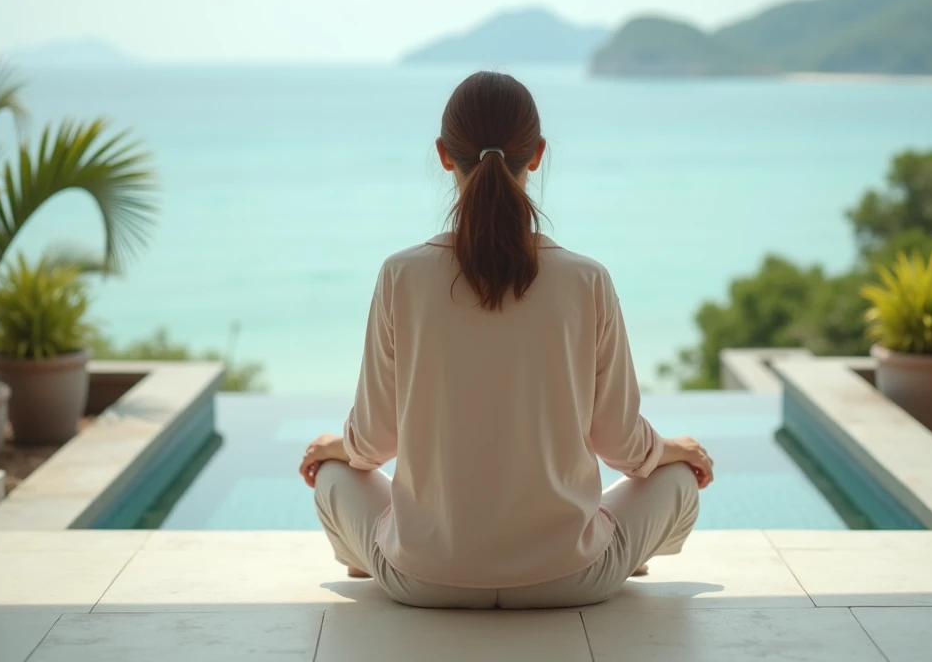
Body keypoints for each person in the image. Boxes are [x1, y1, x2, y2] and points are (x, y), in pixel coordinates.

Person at [299, 71, 713, 609]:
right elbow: (621, 446)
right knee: (678, 476)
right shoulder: (587, 280)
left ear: (444, 155)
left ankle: (365, 558)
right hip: (570, 578)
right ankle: (628, 555)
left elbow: (376, 442)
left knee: (332, 471)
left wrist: (340, 445)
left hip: (423, 580)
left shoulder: (400, 274)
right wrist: (672, 449)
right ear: (537, 154)